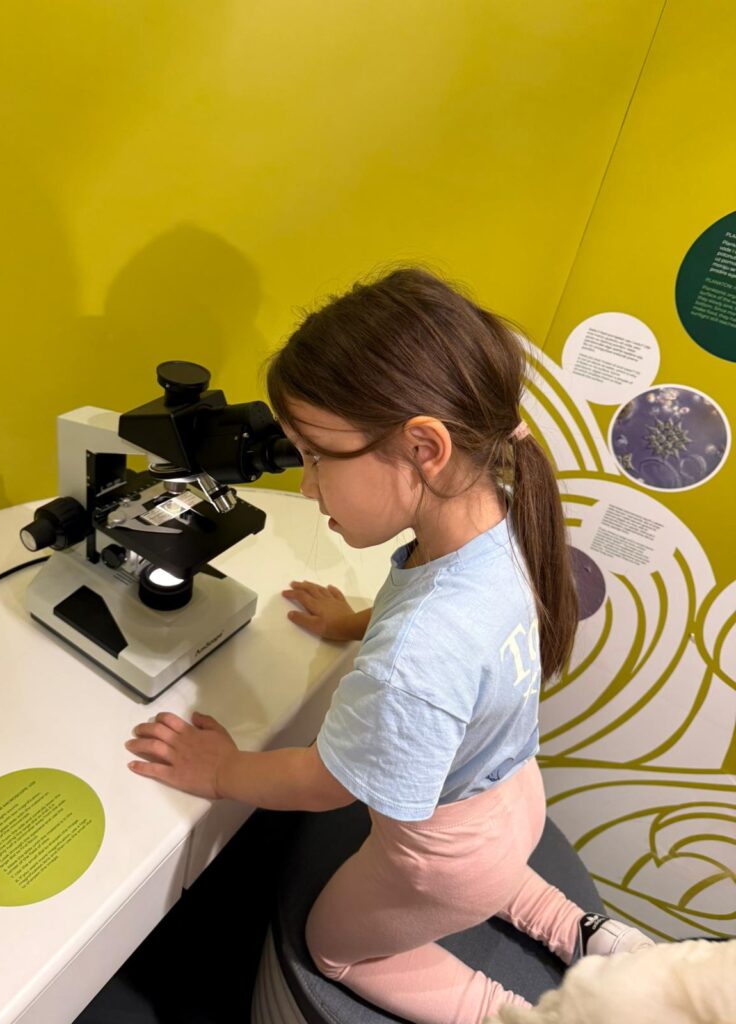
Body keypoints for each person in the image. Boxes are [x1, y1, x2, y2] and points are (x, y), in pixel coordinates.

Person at [125, 268, 654, 1023]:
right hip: (511, 799)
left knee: (334, 947)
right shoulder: (502, 519)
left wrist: (222, 770)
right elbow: (442, 616)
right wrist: (354, 623)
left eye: (317, 456)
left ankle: (516, 1015)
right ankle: (589, 933)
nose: (307, 486)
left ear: (423, 447)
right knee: (496, 870)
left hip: (443, 862)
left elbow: (326, 782)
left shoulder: (416, 655)